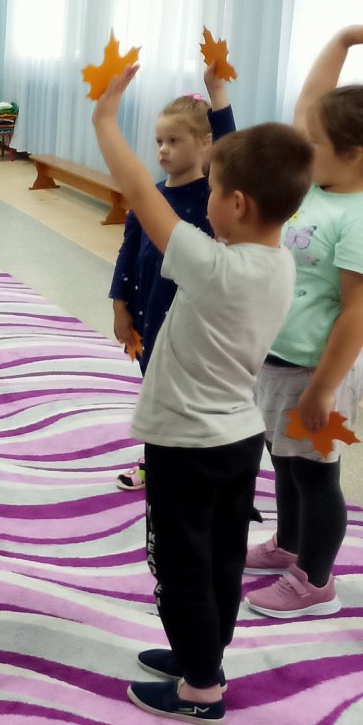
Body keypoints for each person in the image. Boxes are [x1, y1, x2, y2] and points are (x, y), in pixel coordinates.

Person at [92, 64, 313, 725]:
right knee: (219, 557)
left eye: (212, 189)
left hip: (186, 443)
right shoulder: (278, 261)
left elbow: (139, 189)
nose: (203, 197)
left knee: (181, 564)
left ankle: (200, 689)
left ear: (236, 204)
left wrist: (105, 117)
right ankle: (204, 653)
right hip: (238, 438)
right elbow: (245, 167)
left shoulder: (213, 266)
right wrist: (220, 103)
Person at [245, 25, 363, 618]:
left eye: (314, 142)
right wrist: (341, 42)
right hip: (281, 363)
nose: (302, 145)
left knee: (317, 477)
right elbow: (310, 105)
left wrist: (322, 390)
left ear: (353, 153)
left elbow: (356, 318)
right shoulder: (320, 184)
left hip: (318, 374)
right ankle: (289, 544)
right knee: (286, 464)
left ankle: (315, 581)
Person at [110, 68, 237, 490]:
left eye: (174, 141)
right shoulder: (151, 195)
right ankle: (155, 460)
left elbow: (231, 148)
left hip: (192, 322)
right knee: (155, 392)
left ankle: (192, 464)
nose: (163, 150)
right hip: (148, 312)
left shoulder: (212, 197)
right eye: (159, 141)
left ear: (205, 144)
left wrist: (217, 93)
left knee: (188, 398)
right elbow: (127, 253)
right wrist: (120, 307)